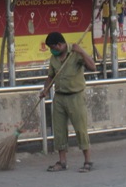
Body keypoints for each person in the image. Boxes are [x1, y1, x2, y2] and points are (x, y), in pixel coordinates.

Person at [40, 31, 97, 173]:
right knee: (59, 130)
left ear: (60, 44)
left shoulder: (75, 53)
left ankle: (88, 161)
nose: (52, 50)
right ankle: (62, 161)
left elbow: (93, 67)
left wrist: (81, 51)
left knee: (80, 129)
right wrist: (45, 89)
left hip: (75, 96)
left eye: (53, 47)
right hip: (59, 97)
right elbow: (51, 76)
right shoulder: (54, 58)